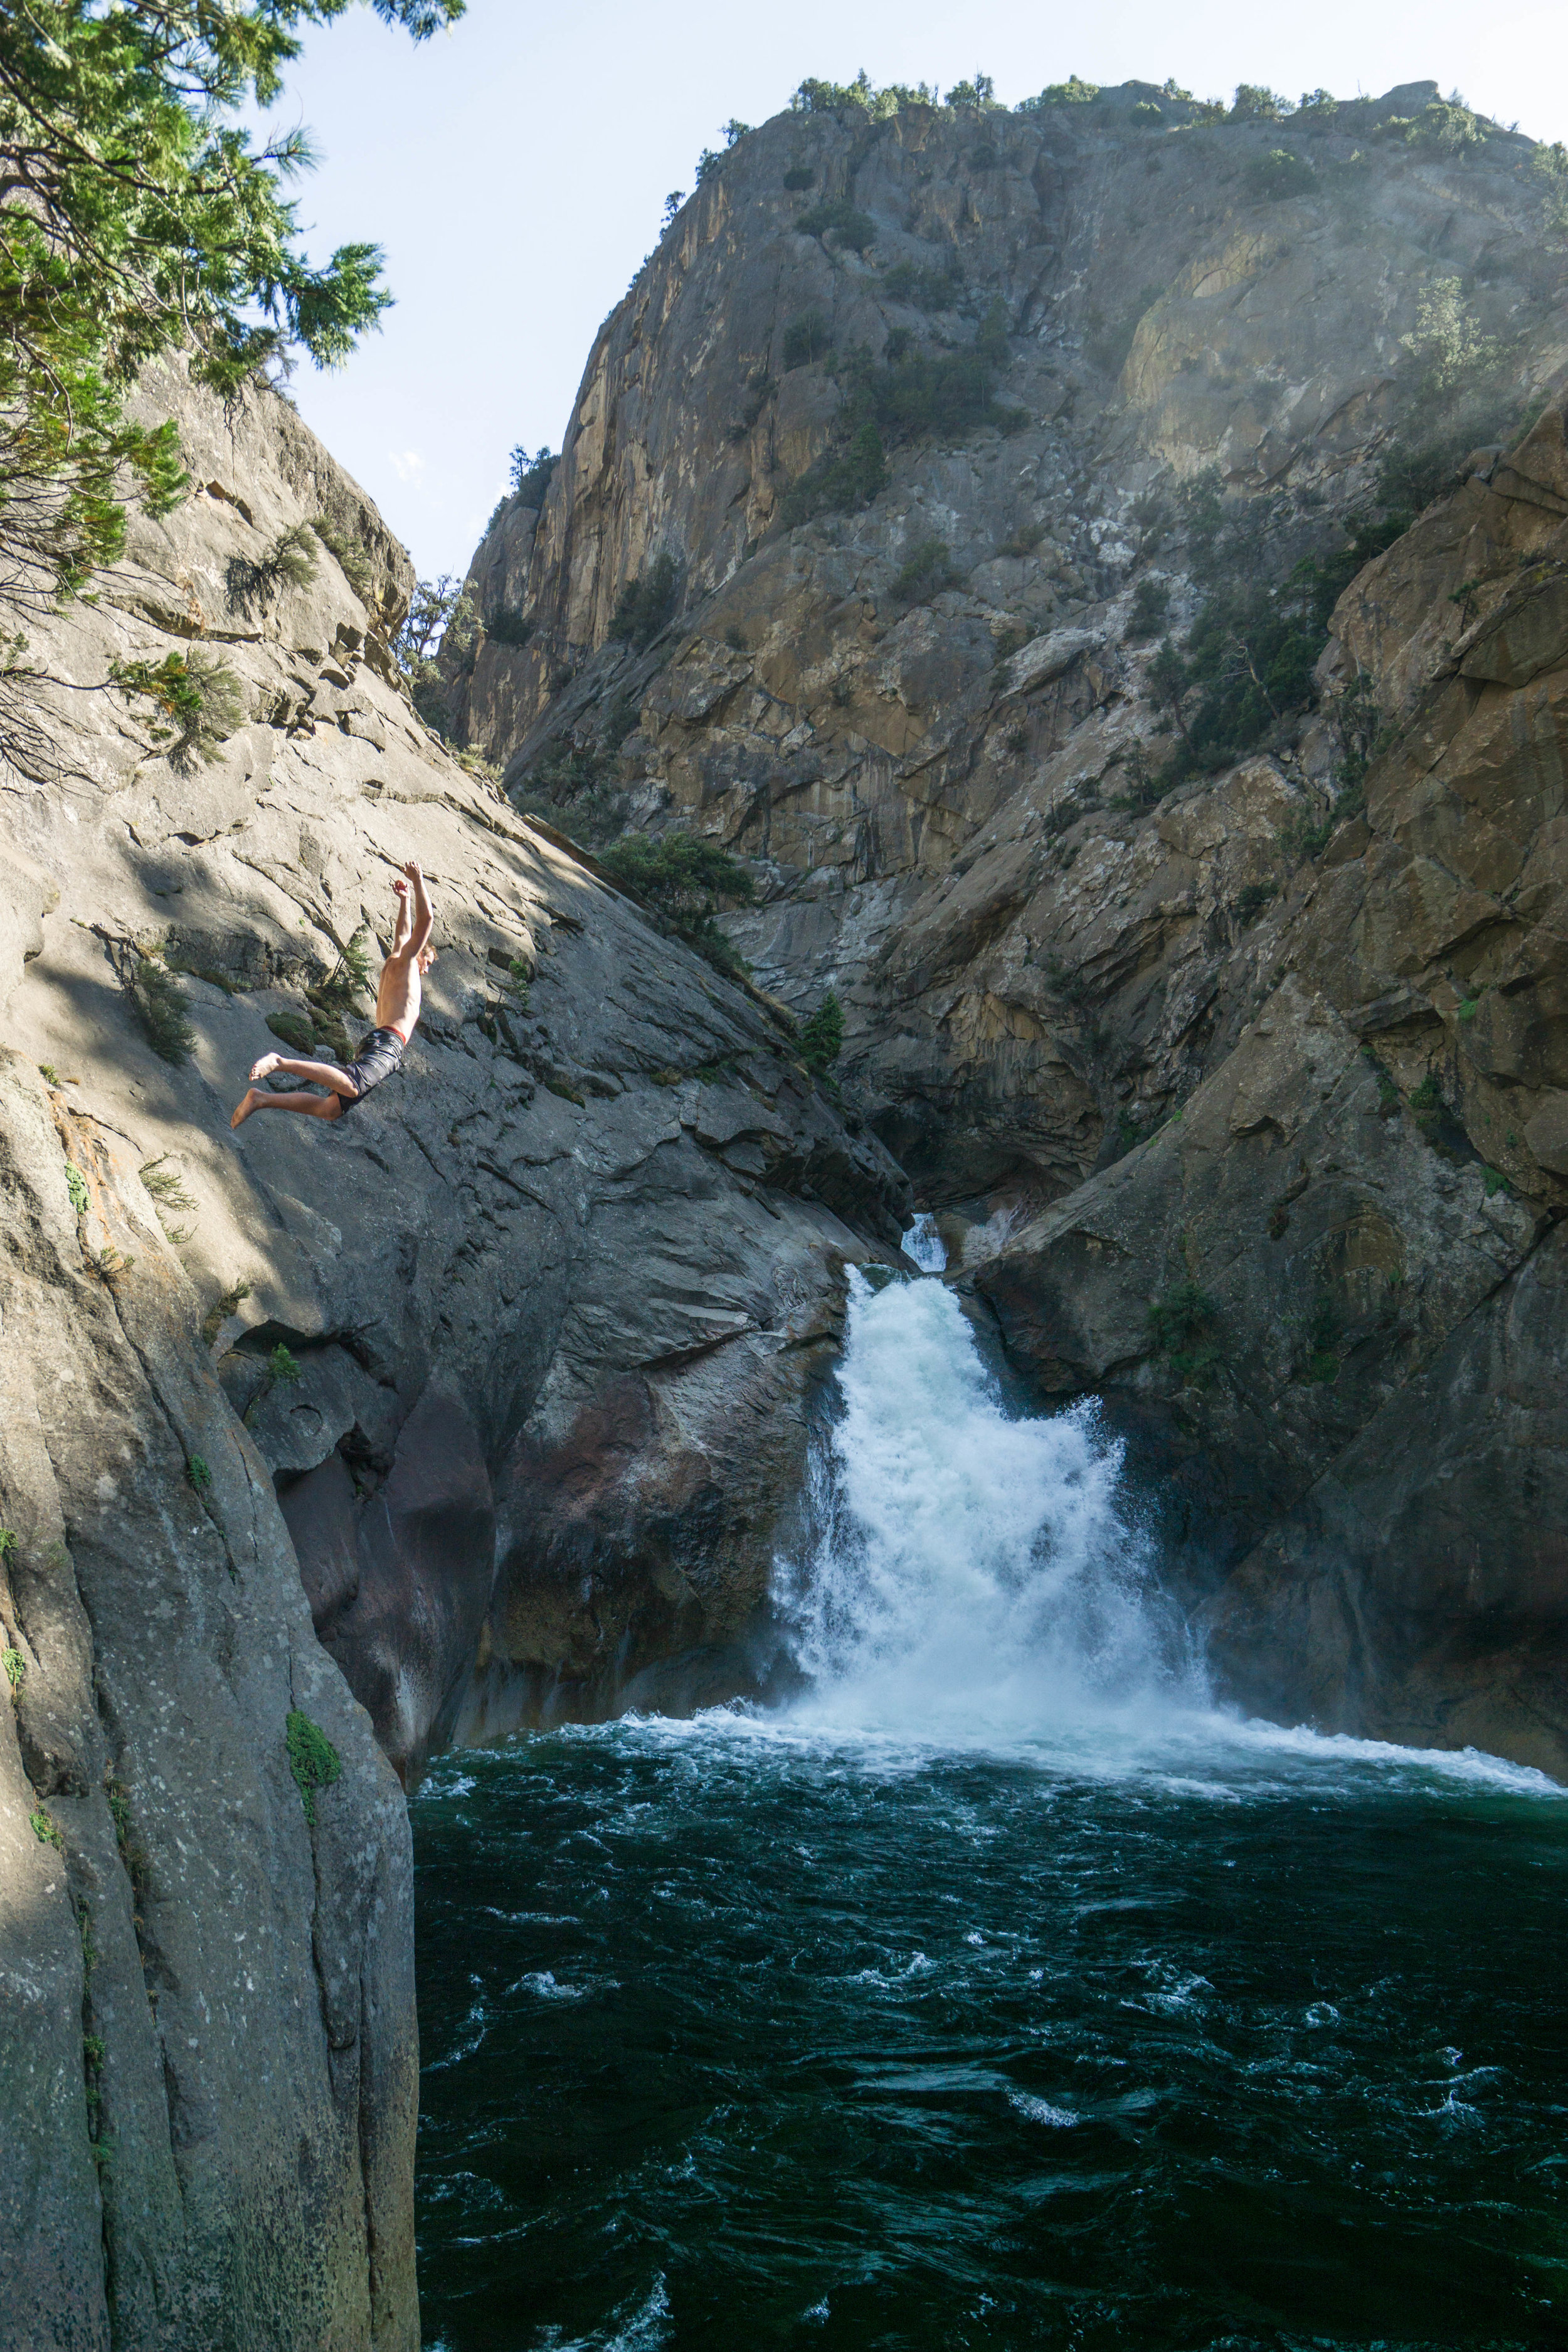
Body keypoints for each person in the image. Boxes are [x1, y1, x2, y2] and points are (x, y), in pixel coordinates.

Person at [231, 861, 434, 1129]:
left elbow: (403, 932)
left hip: (378, 1040)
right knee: (350, 1087)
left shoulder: (397, 959)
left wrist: (404, 901)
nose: (427, 970)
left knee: (330, 1110)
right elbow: (426, 921)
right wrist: (418, 880)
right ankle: (280, 1062)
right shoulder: (407, 960)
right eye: (427, 960)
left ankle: (261, 1099)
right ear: (417, 951)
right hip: (388, 1042)